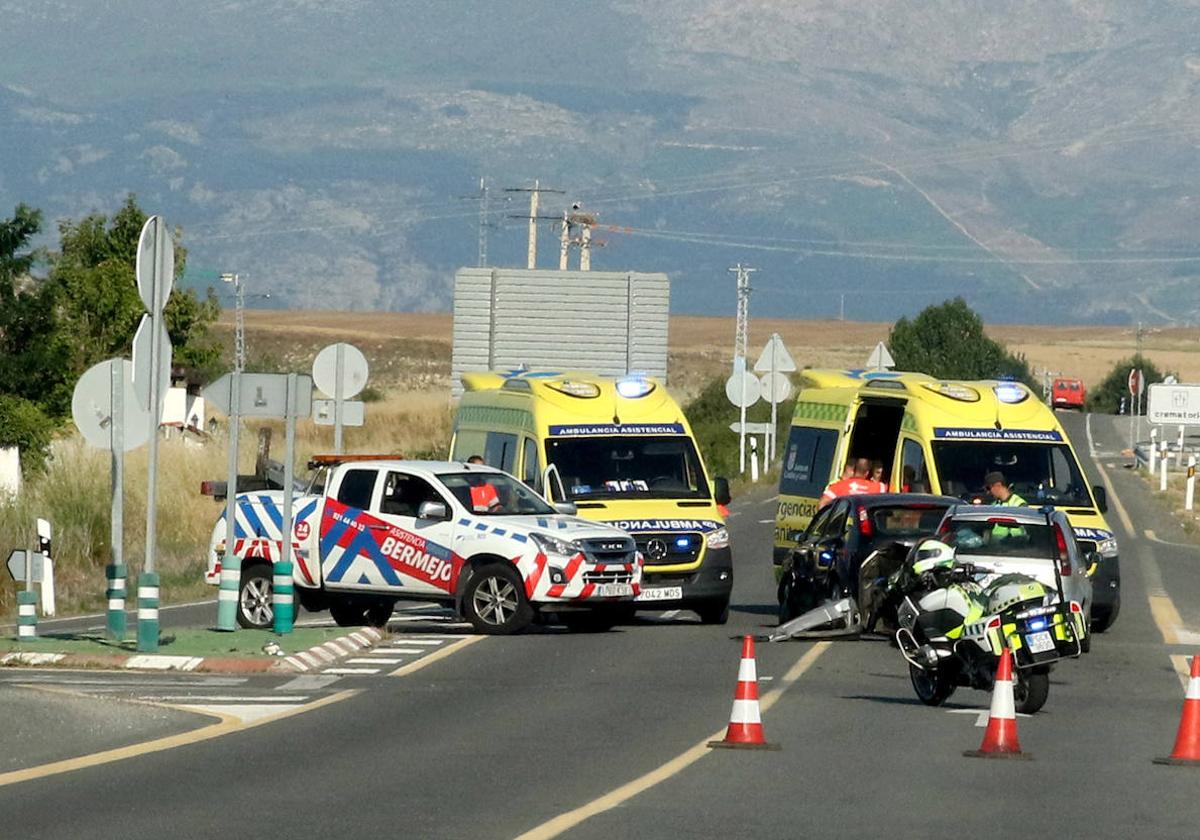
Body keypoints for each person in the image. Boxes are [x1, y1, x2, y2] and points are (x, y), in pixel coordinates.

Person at [819, 457, 886, 508]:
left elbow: (822, 504)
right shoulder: (879, 487)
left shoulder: (838, 486)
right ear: (867, 473)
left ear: (854, 470)